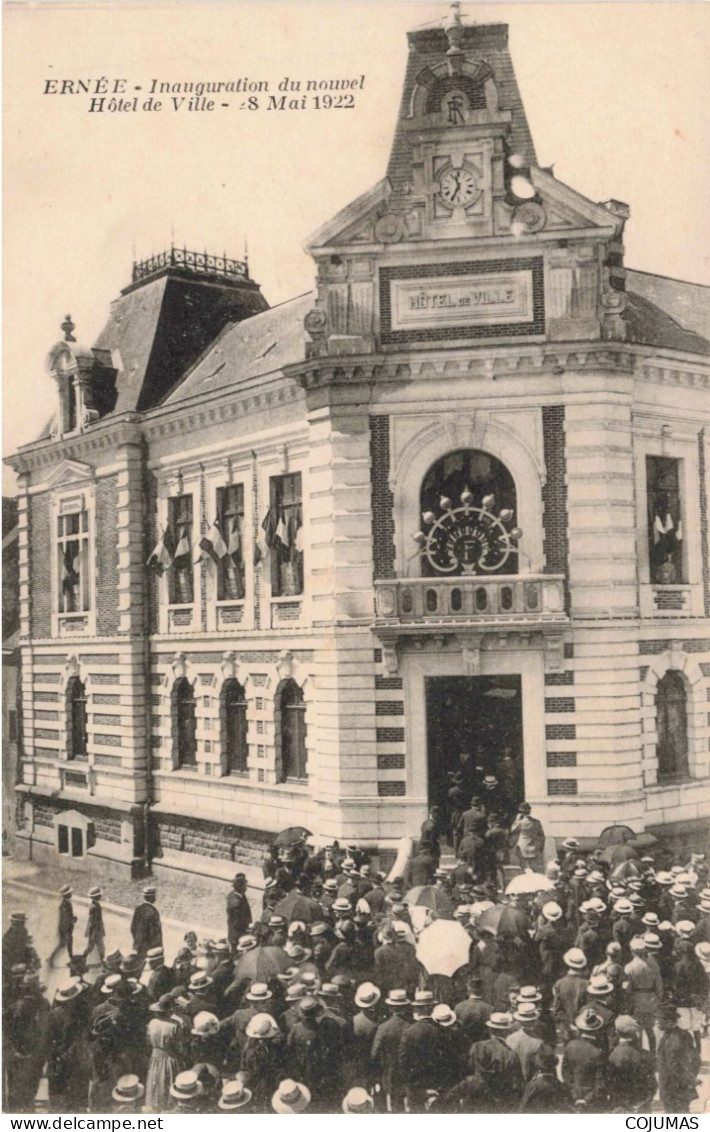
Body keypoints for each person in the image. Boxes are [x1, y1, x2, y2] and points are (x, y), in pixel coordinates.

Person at [656, 1003, 701, 1113]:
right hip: (677, 1088)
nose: (656, 1022)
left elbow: (674, 1067)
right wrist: (691, 1078)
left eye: (660, 1019)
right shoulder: (679, 1035)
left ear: (669, 1021)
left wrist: (688, 1079)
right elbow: (696, 1060)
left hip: (674, 1089)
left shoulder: (674, 1039)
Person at [606, 1015, 656, 1113]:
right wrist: (642, 1103)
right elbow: (653, 1085)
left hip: (620, 1107)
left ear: (616, 1032)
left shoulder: (613, 1055)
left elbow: (609, 1084)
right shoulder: (646, 1055)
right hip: (642, 1107)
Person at [510, 803, 545, 873]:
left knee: (523, 868)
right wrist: (541, 846)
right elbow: (542, 836)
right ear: (529, 811)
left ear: (521, 812)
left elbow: (512, 830)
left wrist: (517, 820)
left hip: (522, 847)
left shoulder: (520, 822)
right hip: (534, 847)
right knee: (534, 868)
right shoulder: (537, 822)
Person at [131, 886, 163, 960]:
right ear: (152, 897)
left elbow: (133, 927)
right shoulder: (153, 911)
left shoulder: (138, 909)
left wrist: (137, 940)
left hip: (139, 946)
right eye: (154, 896)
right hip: (150, 948)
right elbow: (155, 933)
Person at [49, 886, 76, 968]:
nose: (71, 894)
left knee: (63, 945)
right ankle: (71, 961)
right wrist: (72, 920)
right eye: (69, 893)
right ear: (66, 895)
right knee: (68, 944)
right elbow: (65, 918)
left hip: (65, 928)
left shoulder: (67, 902)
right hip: (65, 928)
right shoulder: (64, 904)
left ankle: (51, 958)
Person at [226, 873, 251, 950]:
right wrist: (248, 929)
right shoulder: (237, 904)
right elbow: (237, 923)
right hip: (237, 936)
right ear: (241, 887)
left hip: (234, 933)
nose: (247, 887)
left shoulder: (235, 895)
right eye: (245, 885)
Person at [83, 887, 105, 964]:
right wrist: (94, 933)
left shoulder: (96, 905)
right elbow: (93, 921)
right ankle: (82, 959)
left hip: (96, 930)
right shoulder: (94, 907)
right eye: (99, 895)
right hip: (95, 931)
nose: (101, 896)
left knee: (97, 947)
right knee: (93, 947)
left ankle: (102, 963)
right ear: (96, 897)